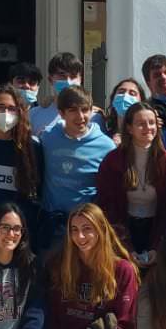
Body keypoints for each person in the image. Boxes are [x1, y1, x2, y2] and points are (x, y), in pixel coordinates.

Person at [97, 102, 166, 262]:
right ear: (129, 128)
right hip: (124, 229)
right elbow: (108, 206)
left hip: (157, 230)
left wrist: (157, 247)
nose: (148, 128)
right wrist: (125, 247)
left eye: (151, 123)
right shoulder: (113, 161)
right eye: (140, 124)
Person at [40, 88, 119, 241]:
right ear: (61, 113)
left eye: (85, 110)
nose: (80, 116)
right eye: (73, 110)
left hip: (87, 228)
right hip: (52, 226)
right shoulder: (48, 137)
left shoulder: (106, 146)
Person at [0, 85, 46, 236]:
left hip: (15, 233)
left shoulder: (32, 148)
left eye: (12, 108)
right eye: (0, 107)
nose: (6, 113)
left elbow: (37, 192)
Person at [27, 52, 85, 135]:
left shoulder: (94, 116)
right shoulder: (33, 115)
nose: (68, 81)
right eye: (62, 75)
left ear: (80, 80)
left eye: (73, 76)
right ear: (50, 80)